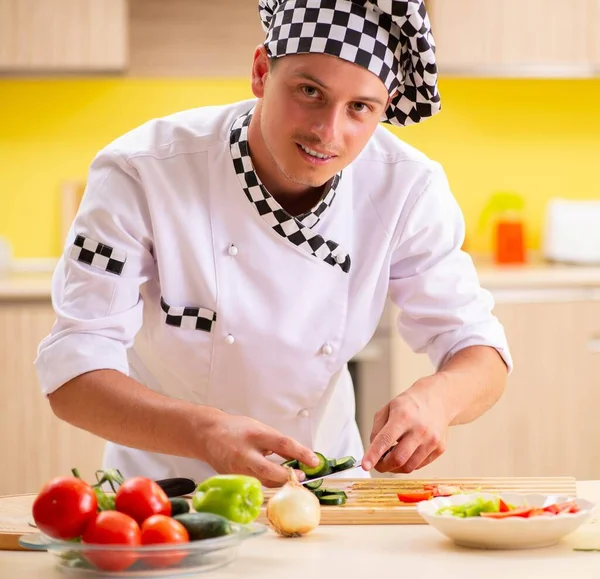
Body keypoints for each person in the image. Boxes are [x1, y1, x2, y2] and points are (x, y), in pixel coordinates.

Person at [35, 0, 512, 488]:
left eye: (360, 108)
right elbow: (74, 370)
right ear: (262, 71)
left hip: (324, 491)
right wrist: (204, 434)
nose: (329, 133)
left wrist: (438, 399)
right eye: (310, 91)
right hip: (163, 498)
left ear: (383, 108)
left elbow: (479, 348)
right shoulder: (142, 172)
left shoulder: (407, 189)